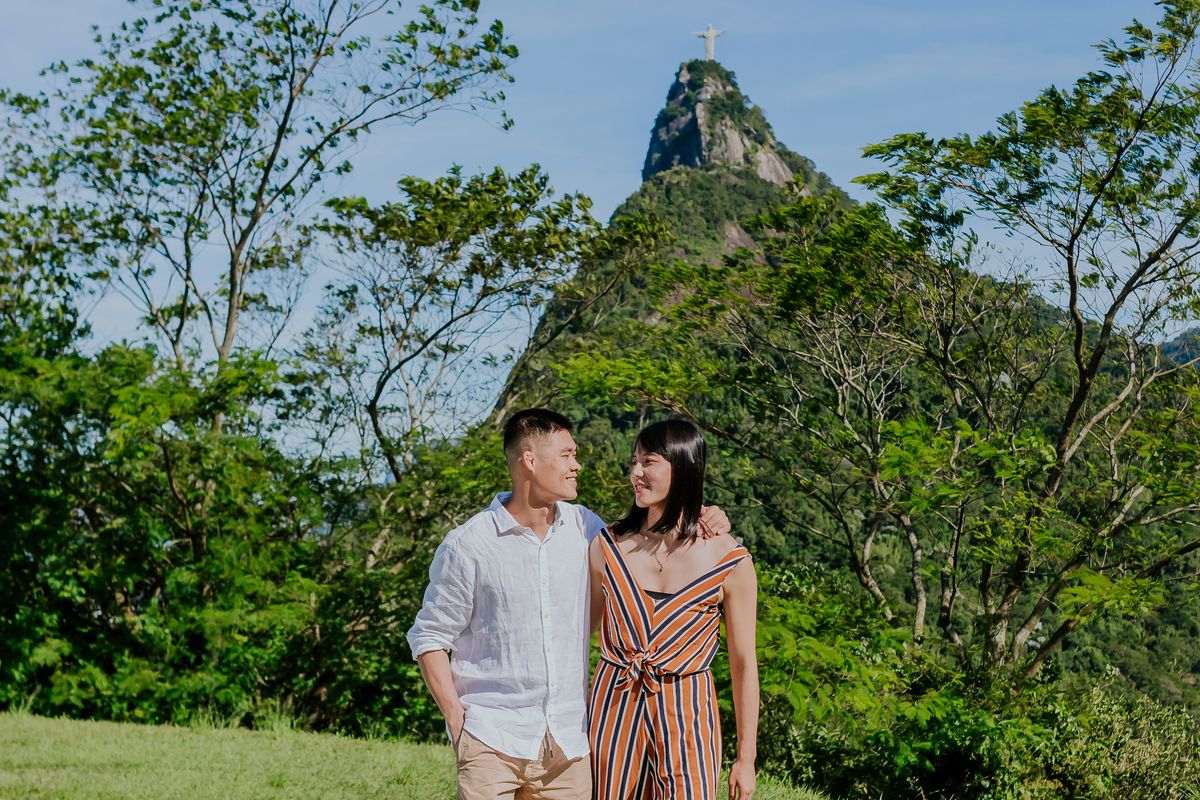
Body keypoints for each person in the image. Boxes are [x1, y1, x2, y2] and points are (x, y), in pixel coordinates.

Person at [406, 409, 730, 800]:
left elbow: (649, 536)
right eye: (567, 455)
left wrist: (707, 514)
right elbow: (429, 637)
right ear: (530, 460)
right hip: (492, 738)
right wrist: (458, 721)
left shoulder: (587, 529)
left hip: (569, 749)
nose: (577, 465)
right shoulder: (469, 543)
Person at [589, 419, 758, 800]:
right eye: (634, 461)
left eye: (648, 462)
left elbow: (744, 664)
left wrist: (745, 758)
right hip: (613, 708)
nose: (635, 472)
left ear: (683, 466)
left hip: (689, 716)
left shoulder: (730, 562)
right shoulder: (607, 547)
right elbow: (575, 636)